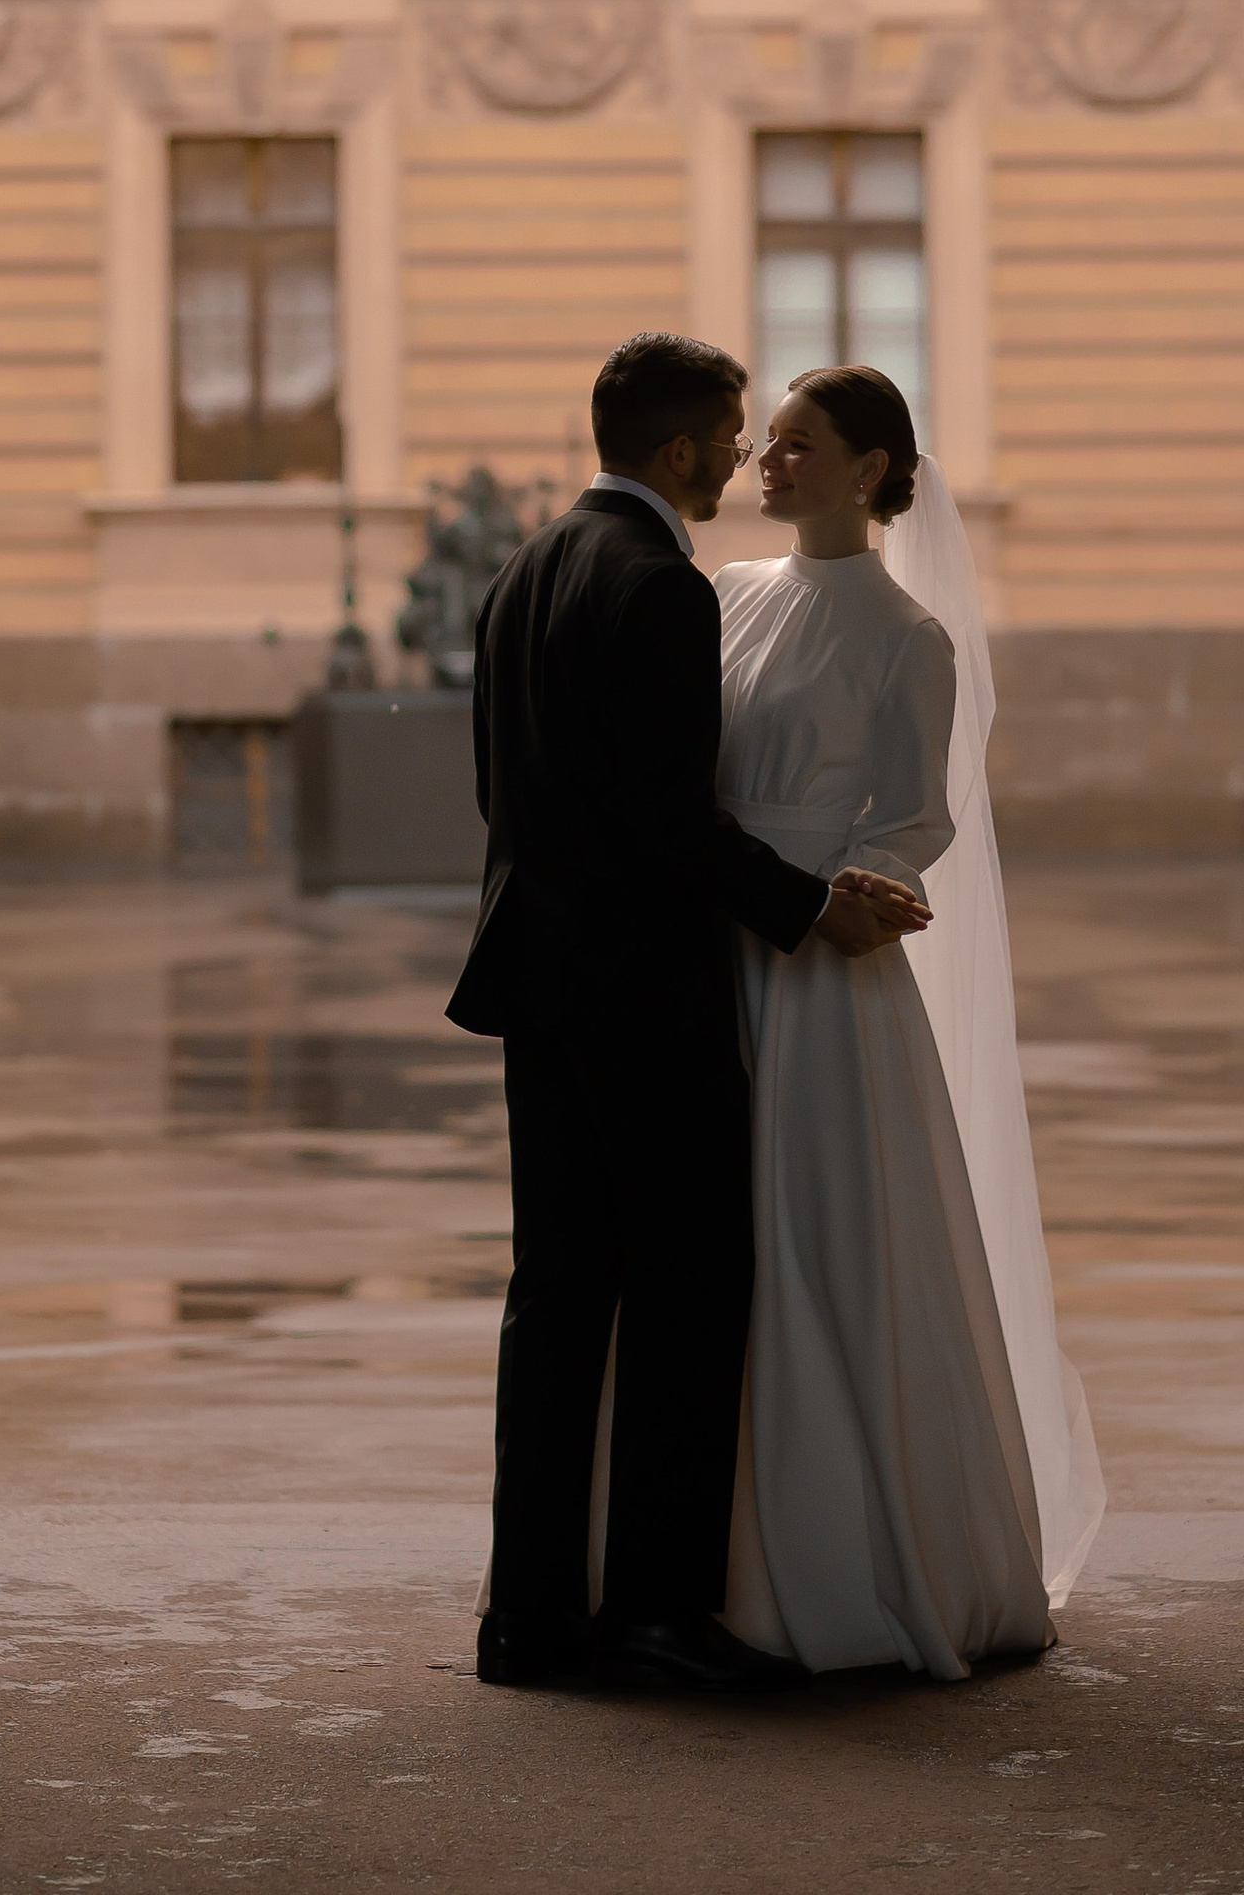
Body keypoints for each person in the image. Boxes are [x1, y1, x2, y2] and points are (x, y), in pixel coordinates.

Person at [448, 331, 926, 1696]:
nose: (740, 459)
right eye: (728, 437)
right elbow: (669, 821)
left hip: (540, 990)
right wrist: (803, 906)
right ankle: (657, 1609)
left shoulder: (527, 567)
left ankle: (528, 1621)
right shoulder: (660, 586)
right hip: (646, 999)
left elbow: (511, 793)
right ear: (678, 451)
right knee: (683, 1298)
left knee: (554, 1302)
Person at [713, 367, 1106, 1676]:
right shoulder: (725, 596)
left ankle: (866, 1565)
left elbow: (917, 817)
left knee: (825, 1234)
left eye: (798, 445)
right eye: (765, 441)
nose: (768, 462)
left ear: (872, 469)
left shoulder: (908, 639)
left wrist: (846, 894)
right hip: (721, 942)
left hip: (827, 970)